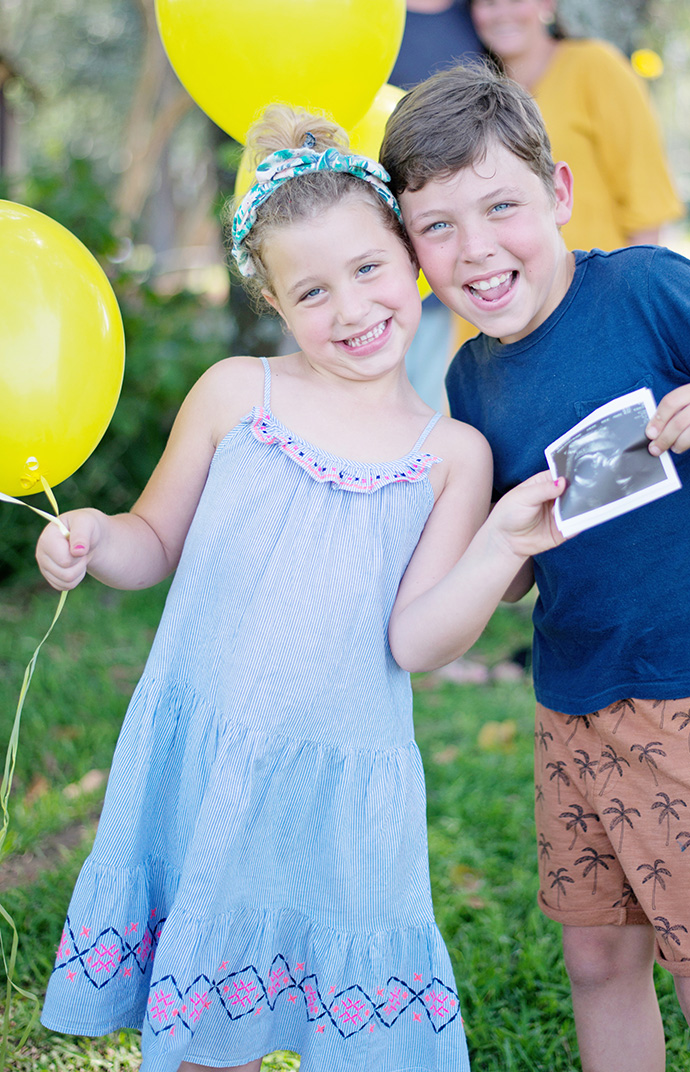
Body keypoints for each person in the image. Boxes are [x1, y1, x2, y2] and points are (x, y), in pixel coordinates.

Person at [35, 104, 566, 1072]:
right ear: (274, 303)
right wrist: (91, 538)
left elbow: (417, 640)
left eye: (369, 270)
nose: (352, 309)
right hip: (209, 748)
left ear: (409, 260)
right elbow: (152, 539)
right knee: (204, 1034)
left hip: (335, 780)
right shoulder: (239, 393)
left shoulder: (452, 453)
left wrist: (497, 550)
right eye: (311, 291)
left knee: (342, 1034)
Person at [380, 63, 690, 1072]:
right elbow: (514, 570)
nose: (476, 248)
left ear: (559, 192)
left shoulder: (646, 292)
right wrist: (504, 543)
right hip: (574, 696)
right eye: (437, 227)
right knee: (600, 961)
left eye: (500, 207)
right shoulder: (468, 376)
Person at [468, 0, 684, 251]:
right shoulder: (481, 97)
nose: (502, 12)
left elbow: (645, 187)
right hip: (523, 289)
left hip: (602, 279)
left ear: (546, 3)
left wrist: (636, 284)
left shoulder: (595, 65)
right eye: (488, 2)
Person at [381, 0, 485, 409]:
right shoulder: (355, 15)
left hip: (453, 266)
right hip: (361, 256)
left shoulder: (484, 24)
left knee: (435, 416)